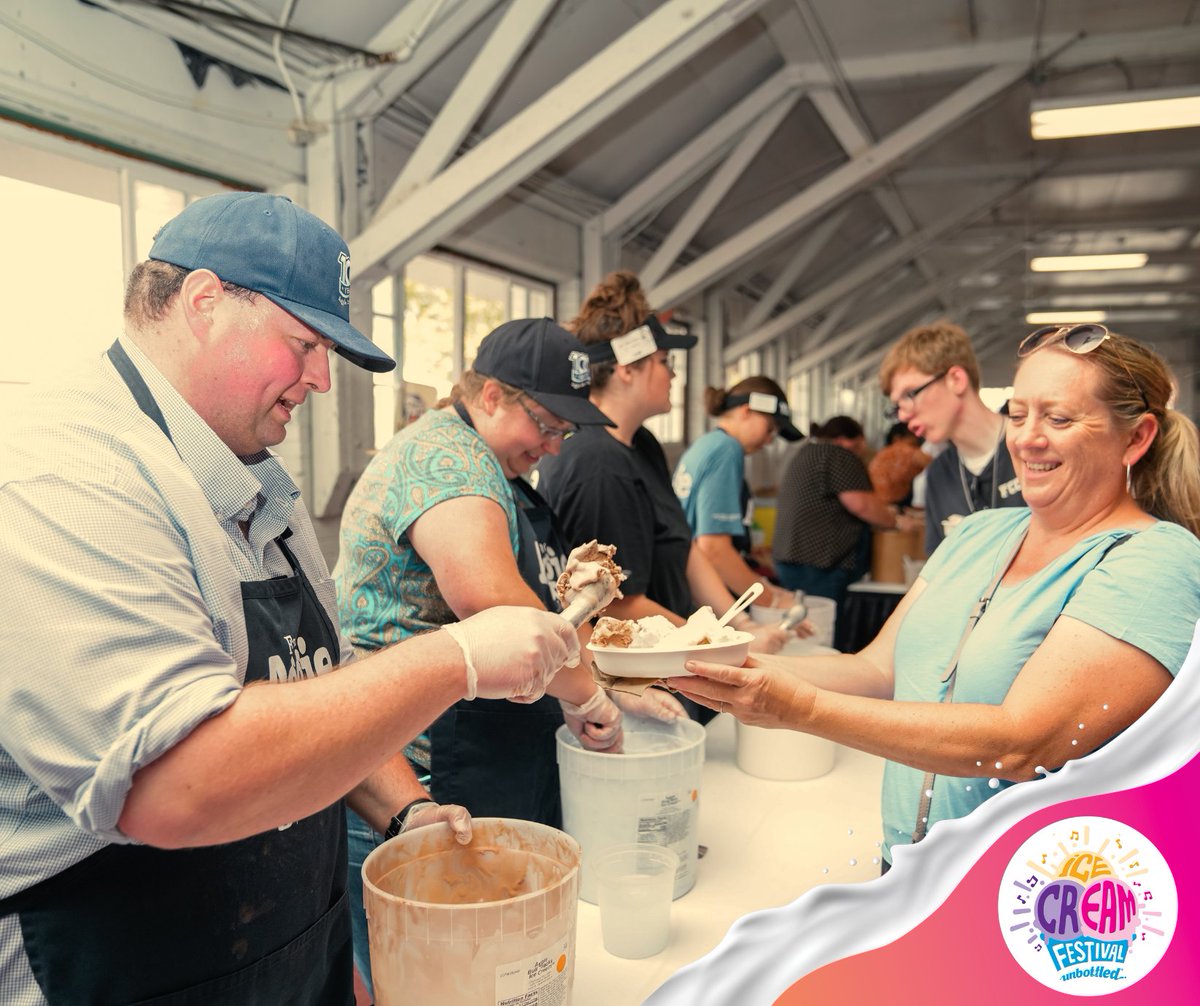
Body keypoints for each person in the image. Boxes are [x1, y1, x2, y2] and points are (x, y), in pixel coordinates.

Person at [0, 192, 581, 1006]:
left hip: (279, 953)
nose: (319, 379)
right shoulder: (66, 475)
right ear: (204, 304)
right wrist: (455, 658)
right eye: (304, 344)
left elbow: (321, 685)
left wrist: (390, 835)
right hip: (119, 967)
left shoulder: (256, 481)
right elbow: (179, 782)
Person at [670, 324, 1200, 872]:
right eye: (1017, 415)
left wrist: (798, 709)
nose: (1025, 438)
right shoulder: (979, 533)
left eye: (1058, 419)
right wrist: (733, 667)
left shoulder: (1153, 560)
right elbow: (876, 668)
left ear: (1136, 438)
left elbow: (1022, 744)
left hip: (1028, 894)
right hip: (907, 870)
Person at [334, 316, 677, 993]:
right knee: (430, 985)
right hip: (411, 775)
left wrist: (602, 677)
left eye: (563, 434)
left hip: (469, 755)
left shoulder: (487, 463)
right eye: (545, 426)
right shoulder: (447, 460)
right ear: (491, 395)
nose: (550, 449)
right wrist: (589, 696)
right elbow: (493, 600)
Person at [533, 270, 790, 723]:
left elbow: (685, 544)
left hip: (676, 661)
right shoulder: (595, 463)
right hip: (636, 686)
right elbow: (620, 601)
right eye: (664, 362)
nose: (674, 374)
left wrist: (738, 625)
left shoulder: (642, 445)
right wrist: (718, 643)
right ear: (628, 369)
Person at [879, 321, 1024, 554]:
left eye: (909, 394)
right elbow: (938, 570)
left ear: (956, 380)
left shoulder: (1031, 447)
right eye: (897, 405)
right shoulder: (939, 474)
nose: (904, 415)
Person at [672, 376, 804, 611]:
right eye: (770, 429)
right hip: (701, 596)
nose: (769, 440)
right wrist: (770, 600)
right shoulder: (727, 450)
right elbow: (714, 549)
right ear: (746, 411)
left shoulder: (707, 444)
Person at [772, 416, 922, 614]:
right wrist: (896, 522)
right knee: (819, 626)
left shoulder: (807, 451)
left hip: (790, 558)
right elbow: (861, 505)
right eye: (861, 443)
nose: (862, 450)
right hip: (819, 564)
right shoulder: (838, 455)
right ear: (846, 439)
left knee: (802, 622)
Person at [868, 422, 930, 508]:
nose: (917, 440)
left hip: (879, 505)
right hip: (900, 505)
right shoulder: (907, 451)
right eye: (913, 436)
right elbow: (938, 467)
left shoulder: (879, 455)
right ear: (897, 438)